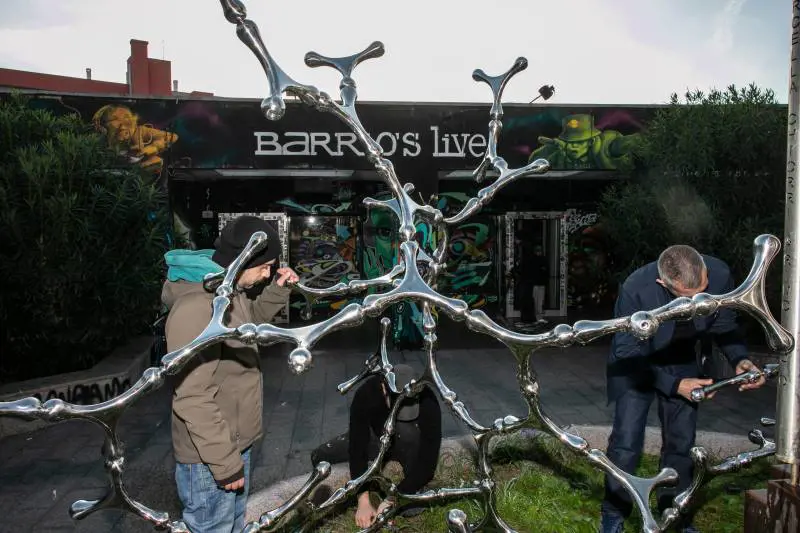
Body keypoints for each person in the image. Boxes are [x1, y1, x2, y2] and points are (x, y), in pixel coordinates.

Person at [600, 245, 766, 533]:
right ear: (663, 283)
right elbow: (626, 352)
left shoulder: (719, 273)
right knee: (626, 443)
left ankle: (674, 513)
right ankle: (613, 513)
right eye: (688, 298)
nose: (697, 304)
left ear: (704, 270)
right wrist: (675, 386)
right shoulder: (635, 289)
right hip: (637, 362)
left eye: (703, 291)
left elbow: (724, 324)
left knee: (681, 442)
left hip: (682, 359)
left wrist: (739, 359)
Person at [163, 215, 299, 533]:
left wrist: (277, 291)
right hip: (209, 457)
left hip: (231, 443)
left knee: (232, 525)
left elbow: (247, 325)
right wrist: (224, 463)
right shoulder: (198, 308)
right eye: (264, 267)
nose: (268, 274)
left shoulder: (228, 291)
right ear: (243, 260)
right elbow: (192, 398)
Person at [310, 364, 442, 528]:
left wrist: (392, 499)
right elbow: (357, 447)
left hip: (408, 439)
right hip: (375, 436)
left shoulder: (428, 399)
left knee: (412, 502)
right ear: (385, 389)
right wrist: (363, 501)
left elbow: (428, 461)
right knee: (320, 456)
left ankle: (410, 490)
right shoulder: (367, 393)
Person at [530, 244, 549, 324]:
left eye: (539, 250)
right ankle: (537, 317)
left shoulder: (539, 259)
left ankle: (538, 317)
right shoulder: (535, 260)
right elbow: (543, 270)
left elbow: (544, 270)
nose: (539, 252)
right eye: (537, 250)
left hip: (539, 283)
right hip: (536, 283)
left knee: (539, 301)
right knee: (537, 301)